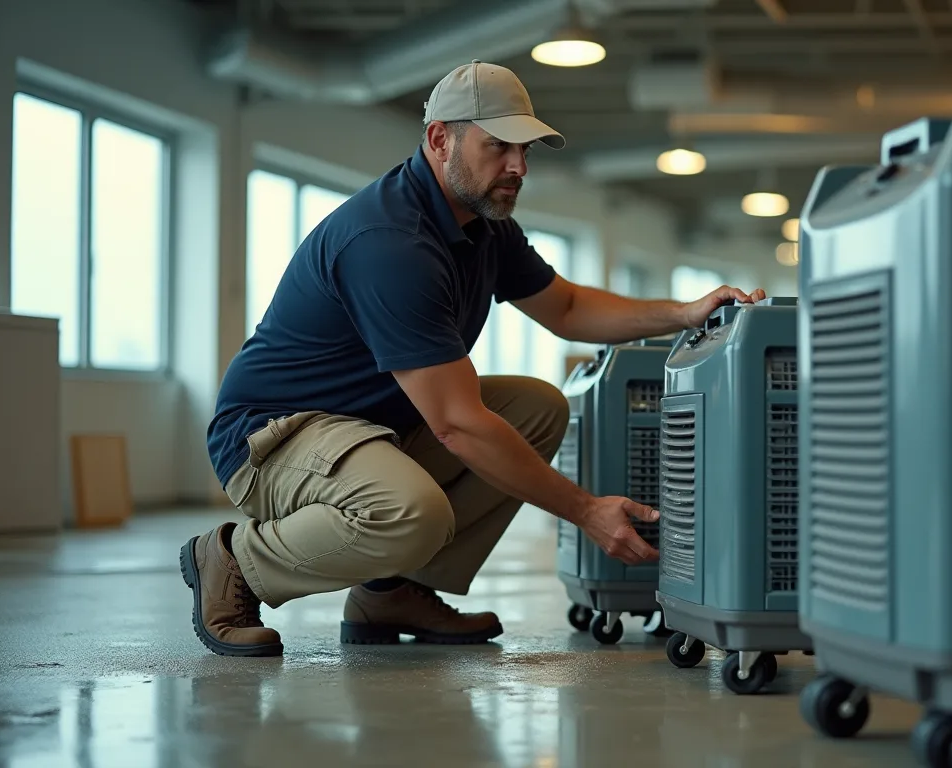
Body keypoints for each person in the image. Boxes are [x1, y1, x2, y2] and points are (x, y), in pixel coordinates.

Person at [182, 59, 767, 657]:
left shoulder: (482, 221)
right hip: (274, 437)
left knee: (534, 407)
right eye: (498, 147)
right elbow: (456, 424)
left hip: (373, 427)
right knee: (412, 511)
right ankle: (233, 561)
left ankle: (391, 591)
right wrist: (586, 510)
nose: (517, 166)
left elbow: (564, 308)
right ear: (441, 139)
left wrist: (683, 312)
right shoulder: (391, 243)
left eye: (526, 150)